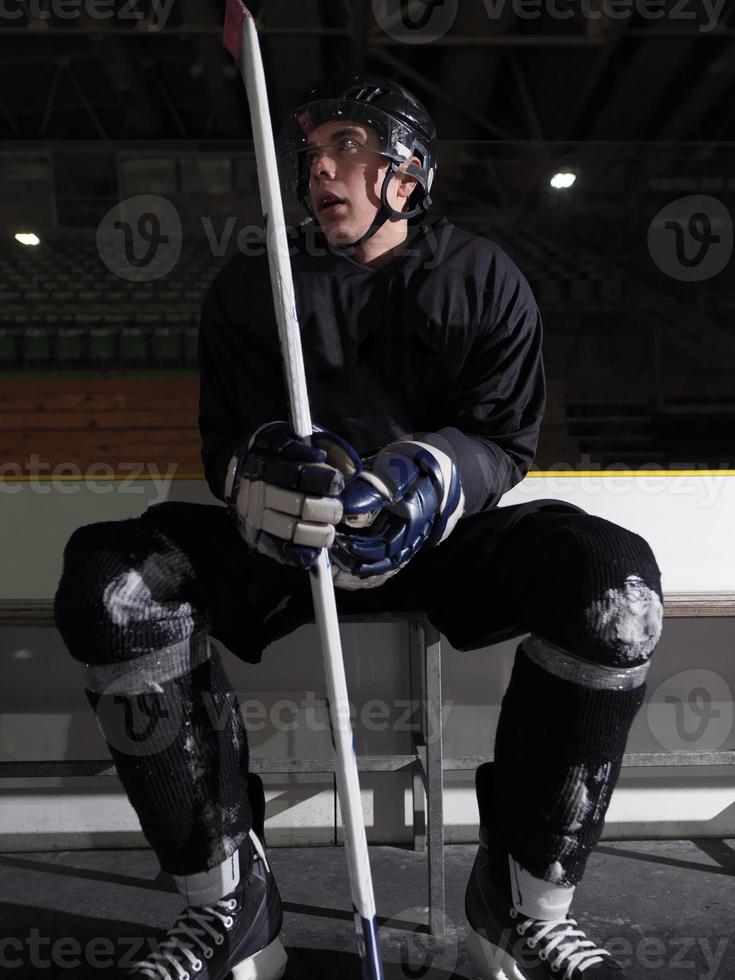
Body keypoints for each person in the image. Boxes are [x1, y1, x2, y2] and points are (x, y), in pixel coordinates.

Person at [54, 73, 664, 979]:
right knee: (112, 584)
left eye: (349, 147)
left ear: (407, 175)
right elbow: (223, 444)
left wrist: (436, 474)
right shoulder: (250, 285)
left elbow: (506, 437)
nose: (320, 170)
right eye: (314, 153)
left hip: (444, 547)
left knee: (616, 589)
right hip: (287, 552)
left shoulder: (483, 276)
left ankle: (523, 903)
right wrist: (259, 480)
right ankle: (229, 904)